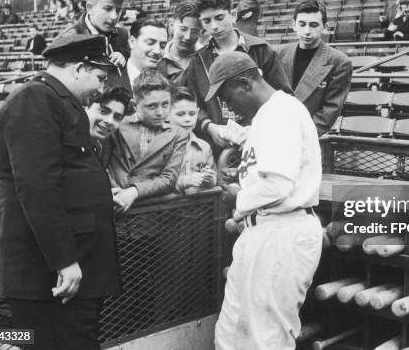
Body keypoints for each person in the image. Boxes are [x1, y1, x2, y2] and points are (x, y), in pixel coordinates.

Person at [0, 34, 121, 350]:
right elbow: (37, 188)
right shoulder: (35, 99)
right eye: (100, 78)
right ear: (79, 68)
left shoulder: (57, 102)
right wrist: (64, 260)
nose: (100, 89)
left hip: (68, 272)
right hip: (49, 275)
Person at [208, 51, 323, 350]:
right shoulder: (266, 115)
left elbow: (277, 186)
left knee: (265, 337)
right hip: (263, 229)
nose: (225, 104)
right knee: (232, 331)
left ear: (245, 83)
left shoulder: (280, 112)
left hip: (283, 230)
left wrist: (238, 196)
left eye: (225, 94)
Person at [178, 0, 292, 148]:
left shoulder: (260, 49)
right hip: (219, 147)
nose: (214, 26)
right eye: (207, 21)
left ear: (232, 15)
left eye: (219, 17)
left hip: (261, 142)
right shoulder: (198, 60)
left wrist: (258, 128)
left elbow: (284, 96)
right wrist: (208, 126)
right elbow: (191, 103)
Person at [102, 69, 188, 213]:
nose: (160, 112)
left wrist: (134, 192)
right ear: (135, 105)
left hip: (153, 214)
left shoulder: (178, 134)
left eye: (165, 104)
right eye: (152, 106)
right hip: (116, 207)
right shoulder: (118, 125)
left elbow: (168, 179)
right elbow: (101, 166)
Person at [275, 0, 352, 136]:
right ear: (294, 25)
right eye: (302, 24)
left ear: (325, 26)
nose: (307, 31)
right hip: (274, 131)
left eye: (314, 25)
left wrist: (300, 137)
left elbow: (328, 112)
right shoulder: (278, 53)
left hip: (306, 138)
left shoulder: (339, 62)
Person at [58, 0, 130, 91]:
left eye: (118, 10)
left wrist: (124, 55)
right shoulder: (68, 39)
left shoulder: (123, 34)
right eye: (107, 9)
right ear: (90, 8)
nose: (114, 17)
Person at [171, 86, 217, 193]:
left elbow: (214, 179)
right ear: (167, 115)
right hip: (168, 207)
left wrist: (209, 179)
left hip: (201, 207)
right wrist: (184, 181)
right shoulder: (160, 146)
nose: (188, 119)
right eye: (180, 114)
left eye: (192, 114)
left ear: (197, 112)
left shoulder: (204, 147)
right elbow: (156, 183)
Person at [157, 1, 202, 83]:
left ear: (201, 32)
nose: (188, 37)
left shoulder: (208, 59)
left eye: (194, 31)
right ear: (171, 25)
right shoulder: (156, 58)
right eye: (183, 29)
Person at [121, 18, 168, 92]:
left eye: (162, 46)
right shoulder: (108, 78)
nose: (157, 51)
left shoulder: (168, 80)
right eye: (150, 43)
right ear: (132, 42)